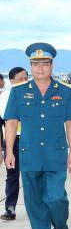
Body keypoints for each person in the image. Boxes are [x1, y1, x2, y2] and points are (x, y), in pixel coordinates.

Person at [3, 42, 71, 229]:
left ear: (52, 65)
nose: (40, 68)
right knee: (34, 202)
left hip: (56, 155)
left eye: (44, 64)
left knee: (56, 198)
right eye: (35, 64)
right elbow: (10, 122)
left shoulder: (65, 91)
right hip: (30, 154)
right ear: (30, 66)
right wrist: (9, 151)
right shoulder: (18, 92)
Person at [0, 67, 28, 220]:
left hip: (32, 141)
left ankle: (37, 208)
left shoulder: (34, 94)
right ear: (11, 81)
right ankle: (10, 208)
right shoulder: (4, 97)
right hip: (13, 142)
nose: (25, 81)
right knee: (12, 175)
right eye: (20, 79)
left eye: (26, 78)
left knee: (34, 175)